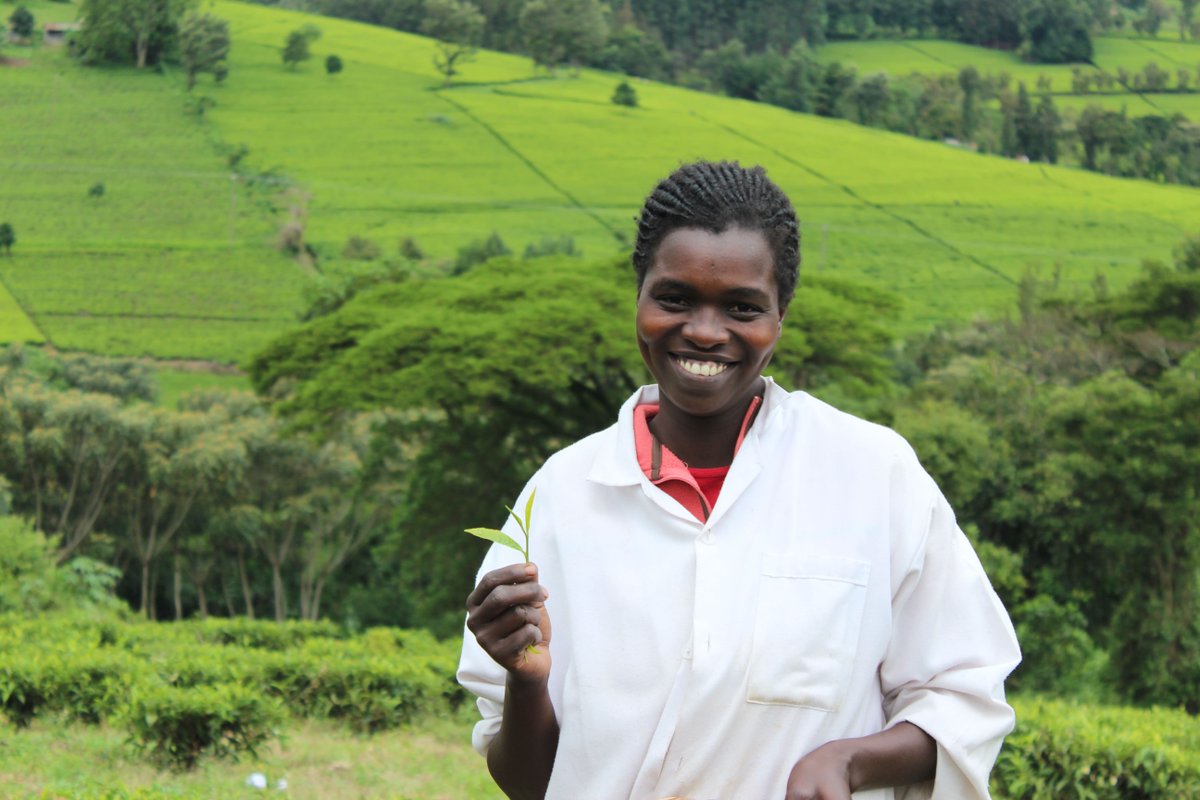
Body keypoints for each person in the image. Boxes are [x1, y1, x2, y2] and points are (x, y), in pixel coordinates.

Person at [458, 160, 1021, 800]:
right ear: (638, 297)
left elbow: (963, 696)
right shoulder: (560, 497)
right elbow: (529, 783)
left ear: (780, 316)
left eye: (742, 307)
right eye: (674, 297)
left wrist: (851, 763)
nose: (703, 330)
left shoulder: (873, 475)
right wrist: (526, 681)